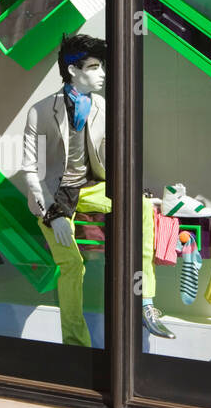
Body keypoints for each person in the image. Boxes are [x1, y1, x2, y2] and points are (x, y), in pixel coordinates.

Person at [22, 34, 172, 346]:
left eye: (101, 66)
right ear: (73, 71)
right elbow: (30, 170)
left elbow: (116, 158)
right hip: (54, 195)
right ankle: (75, 345)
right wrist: (54, 214)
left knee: (141, 208)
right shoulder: (39, 111)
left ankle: (144, 303)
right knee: (72, 266)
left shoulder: (103, 106)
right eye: (93, 67)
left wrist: (134, 190)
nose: (102, 73)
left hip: (92, 188)